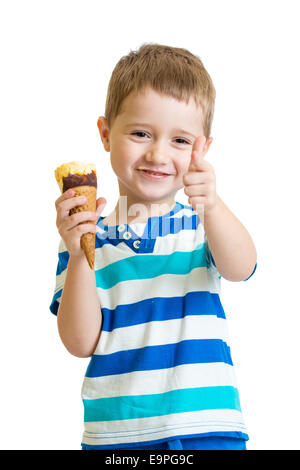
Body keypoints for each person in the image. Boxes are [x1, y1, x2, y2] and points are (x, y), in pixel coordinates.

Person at [50, 43, 257, 451]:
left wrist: (212, 205)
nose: (158, 153)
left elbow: (242, 266)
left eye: (180, 140)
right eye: (141, 133)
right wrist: (78, 258)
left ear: (203, 149)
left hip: (205, 426)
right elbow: (79, 343)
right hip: (115, 436)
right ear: (106, 134)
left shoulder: (203, 222)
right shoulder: (83, 237)